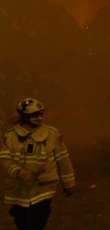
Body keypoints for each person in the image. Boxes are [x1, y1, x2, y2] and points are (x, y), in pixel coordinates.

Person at [0, 98, 76, 230]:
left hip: (43, 188)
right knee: (21, 222)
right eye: (35, 115)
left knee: (36, 223)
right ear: (24, 116)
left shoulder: (52, 133)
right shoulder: (11, 135)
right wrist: (18, 171)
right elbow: (4, 159)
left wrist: (69, 184)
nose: (39, 117)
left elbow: (62, 159)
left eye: (41, 114)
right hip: (19, 190)